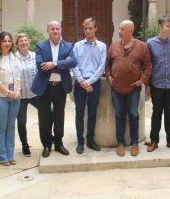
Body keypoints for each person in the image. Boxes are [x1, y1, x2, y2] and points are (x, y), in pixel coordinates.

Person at [105, 20, 151, 157]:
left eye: (121, 28)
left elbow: (148, 67)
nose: (119, 31)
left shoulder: (142, 46)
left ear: (130, 31)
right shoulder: (113, 45)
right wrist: (109, 77)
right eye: (119, 28)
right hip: (116, 88)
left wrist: (142, 81)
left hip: (133, 89)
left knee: (133, 115)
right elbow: (107, 64)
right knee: (119, 115)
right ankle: (120, 143)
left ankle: (134, 143)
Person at [31, 20, 77, 158]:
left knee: (59, 115)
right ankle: (46, 145)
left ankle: (58, 143)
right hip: (45, 87)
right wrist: (63, 64)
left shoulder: (68, 46)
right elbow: (40, 65)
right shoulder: (40, 46)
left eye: (57, 28)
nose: (55, 31)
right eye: (52, 29)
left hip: (60, 88)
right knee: (44, 117)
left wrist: (54, 64)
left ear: (61, 30)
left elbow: (73, 62)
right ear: (48, 31)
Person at [146, 16, 170, 152]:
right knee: (156, 113)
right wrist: (148, 85)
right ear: (160, 27)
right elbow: (148, 65)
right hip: (156, 83)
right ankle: (154, 140)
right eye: (168, 26)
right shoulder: (150, 43)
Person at [73, 17, 106, 154]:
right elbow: (74, 65)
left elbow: (101, 67)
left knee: (92, 113)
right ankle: (80, 142)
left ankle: (90, 140)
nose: (87, 31)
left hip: (94, 83)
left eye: (90, 28)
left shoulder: (102, 46)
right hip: (80, 83)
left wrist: (89, 82)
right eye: (85, 28)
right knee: (79, 113)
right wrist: (82, 81)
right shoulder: (77, 45)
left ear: (95, 28)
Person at [0, 32, 21, 166]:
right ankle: (1, 156)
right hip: (1, 95)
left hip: (15, 95)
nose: (7, 43)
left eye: (9, 41)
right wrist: (8, 92)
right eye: (4, 41)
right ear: (0, 43)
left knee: (11, 126)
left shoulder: (14, 58)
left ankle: (10, 155)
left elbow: (18, 77)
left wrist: (17, 91)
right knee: (1, 126)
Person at [15, 33, 42, 157]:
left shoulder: (35, 56)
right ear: (17, 44)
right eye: (21, 41)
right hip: (20, 96)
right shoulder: (13, 58)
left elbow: (39, 73)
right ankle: (25, 145)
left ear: (28, 42)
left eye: (26, 40)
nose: (24, 42)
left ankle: (48, 138)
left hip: (34, 94)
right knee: (21, 121)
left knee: (49, 112)